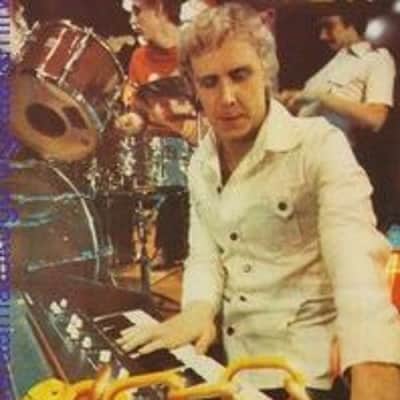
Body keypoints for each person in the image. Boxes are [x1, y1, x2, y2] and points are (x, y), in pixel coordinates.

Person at [117, 3, 400, 400]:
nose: (227, 97)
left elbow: (355, 263)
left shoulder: (319, 145)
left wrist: (374, 363)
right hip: (229, 364)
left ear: (265, 72)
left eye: (240, 75)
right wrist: (197, 309)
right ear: (194, 88)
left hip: (302, 374)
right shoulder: (201, 162)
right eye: (210, 82)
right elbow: (205, 256)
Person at [278, 4, 397, 229]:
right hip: (300, 165)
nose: (323, 36)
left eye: (329, 26)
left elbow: (376, 118)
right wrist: (292, 100)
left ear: (351, 23)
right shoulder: (332, 63)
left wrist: (322, 97)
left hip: (335, 165)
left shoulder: (376, 59)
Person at [116, 0, 197, 268]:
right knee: (165, 156)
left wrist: (201, 127)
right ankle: (169, 246)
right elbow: (140, 112)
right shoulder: (139, 58)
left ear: (160, 8)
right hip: (162, 146)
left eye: (138, 11)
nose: (132, 20)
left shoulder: (195, 49)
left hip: (201, 139)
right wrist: (133, 121)